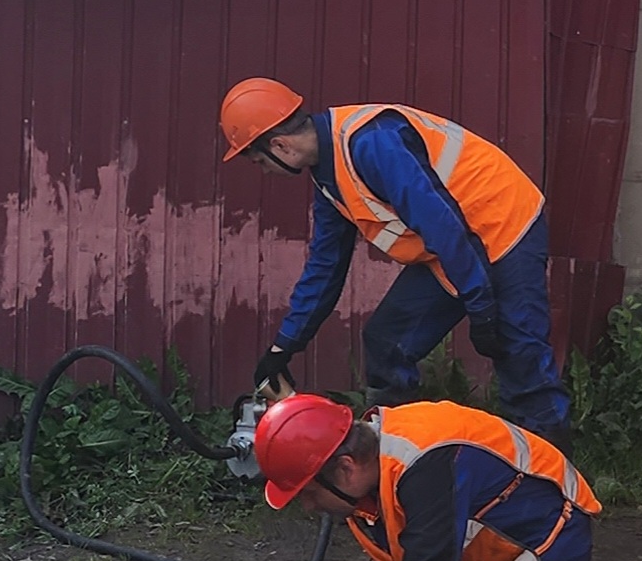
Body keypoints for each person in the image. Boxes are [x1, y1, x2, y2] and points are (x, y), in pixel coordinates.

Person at [218, 78, 568, 435]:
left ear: (280, 145)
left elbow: (442, 225)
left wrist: (481, 306)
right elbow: (325, 269)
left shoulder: (372, 143)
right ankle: (397, 452)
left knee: (519, 357)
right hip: (454, 247)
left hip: (504, 227)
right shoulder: (329, 177)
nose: (265, 171)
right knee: (388, 342)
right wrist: (284, 347)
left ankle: (553, 477)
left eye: (261, 161)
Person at [250, 393, 601, 561]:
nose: (310, 507)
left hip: (550, 542)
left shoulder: (426, 464)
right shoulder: (378, 478)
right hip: (505, 540)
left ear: (346, 467)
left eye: (309, 494)